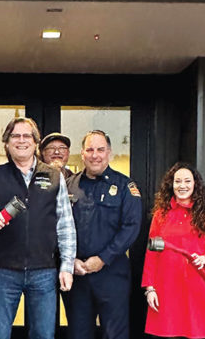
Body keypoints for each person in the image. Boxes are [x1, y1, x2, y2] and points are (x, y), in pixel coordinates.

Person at [0, 117, 76, 339]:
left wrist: (66, 266)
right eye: (15, 136)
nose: (21, 140)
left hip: (44, 271)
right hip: (3, 271)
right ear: (7, 143)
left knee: (44, 335)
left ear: (36, 142)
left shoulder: (54, 176)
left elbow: (65, 225)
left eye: (27, 136)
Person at [63, 130, 142, 339]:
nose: (95, 155)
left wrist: (103, 259)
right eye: (90, 150)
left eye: (100, 149)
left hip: (112, 274)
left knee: (114, 334)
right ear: (82, 154)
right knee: (78, 334)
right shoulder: (69, 186)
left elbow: (131, 227)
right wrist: (69, 260)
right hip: (78, 275)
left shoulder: (125, 186)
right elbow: (57, 226)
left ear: (109, 153)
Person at [141, 162, 205, 338]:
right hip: (167, 288)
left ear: (195, 185)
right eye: (178, 181)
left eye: (187, 181)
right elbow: (151, 253)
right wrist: (150, 288)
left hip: (198, 286)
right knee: (169, 333)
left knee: (198, 333)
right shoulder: (161, 215)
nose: (182, 186)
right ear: (171, 184)